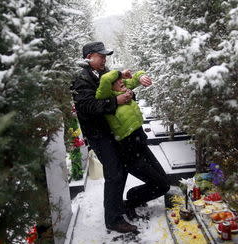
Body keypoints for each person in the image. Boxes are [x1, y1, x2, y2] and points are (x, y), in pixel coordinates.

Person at [71, 42, 168, 234]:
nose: (105, 59)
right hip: (99, 135)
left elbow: (120, 90)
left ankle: (123, 205)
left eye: (105, 56)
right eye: (101, 56)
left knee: (120, 172)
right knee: (114, 173)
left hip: (113, 132)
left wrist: (128, 94)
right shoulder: (82, 80)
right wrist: (115, 101)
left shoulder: (104, 72)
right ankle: (113, 220)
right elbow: (88, 107)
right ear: (89, 56)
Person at [95, 69, 170, 213]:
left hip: (140, 144)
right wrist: (119, 73)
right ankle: (131, 202)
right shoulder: (106, 97)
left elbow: (135, 77)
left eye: (121, 80)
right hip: (127, 151)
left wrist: (141, 77)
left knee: (164, 182)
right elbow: (105, 80)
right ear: (110, 86)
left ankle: (134, 196)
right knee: (161, 185)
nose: (121, 82)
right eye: (117, 81)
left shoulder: (123, 91)